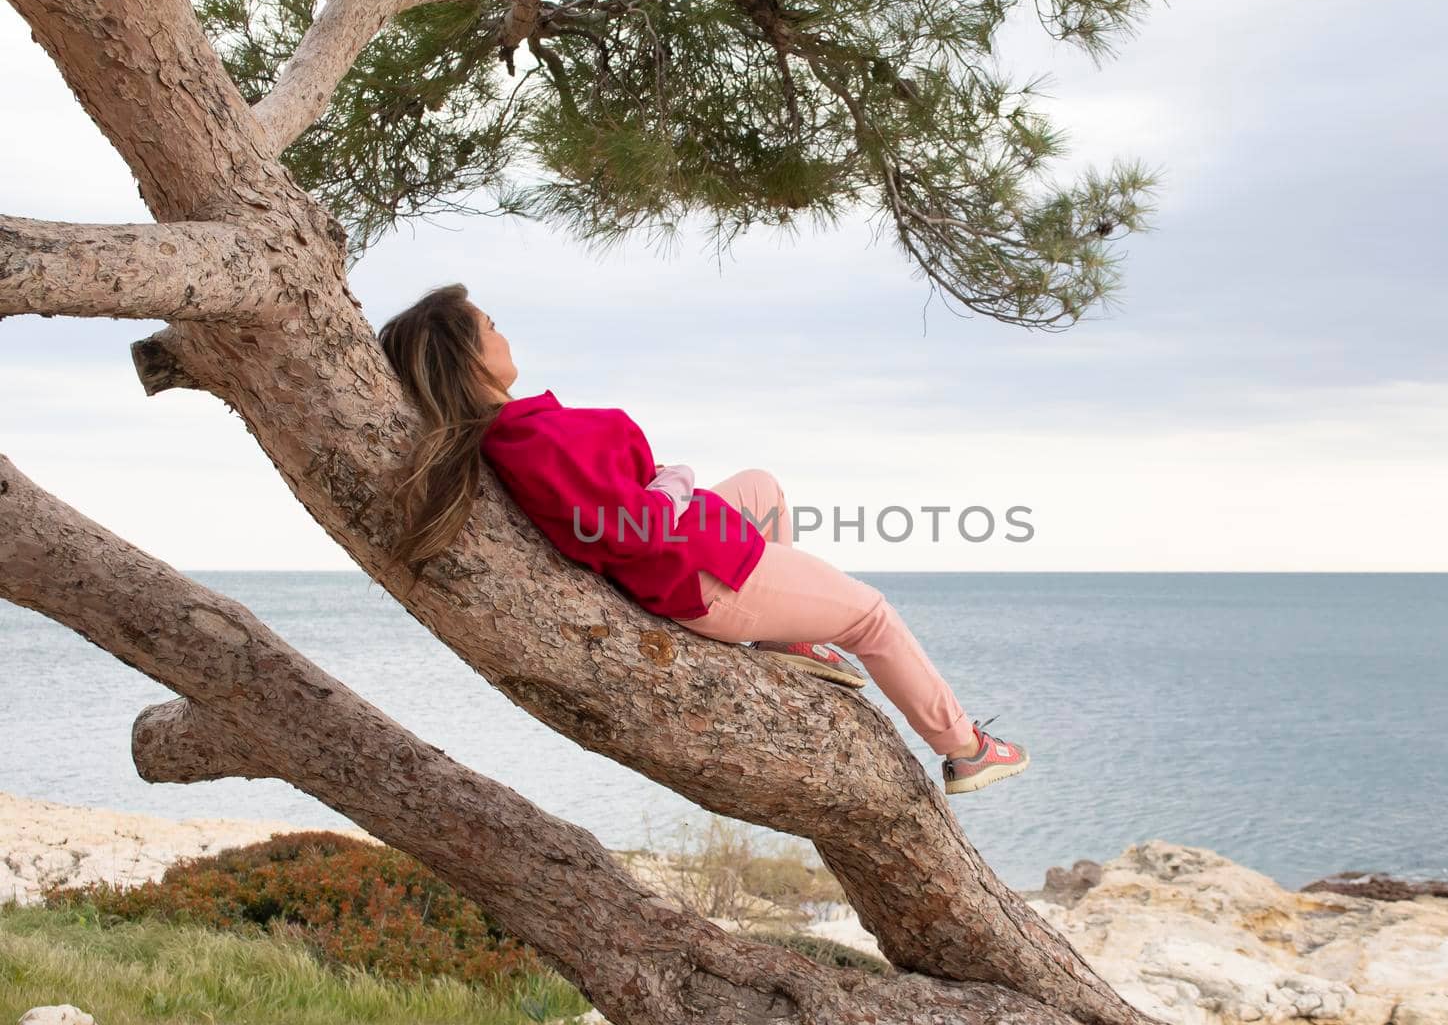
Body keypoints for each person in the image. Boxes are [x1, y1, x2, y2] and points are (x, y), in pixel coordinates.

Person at [376, 282, 1029, 795]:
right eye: (489, 325)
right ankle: (964, 749)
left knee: (763, 488)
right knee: (870, 616)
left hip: (695, 540)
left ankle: (786, 638)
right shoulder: (532, 439)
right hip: (701, 572)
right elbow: (636, 526)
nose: (501, 329)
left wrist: (667, 485)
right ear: (466, 353)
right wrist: (676, 482)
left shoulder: (521, 428)